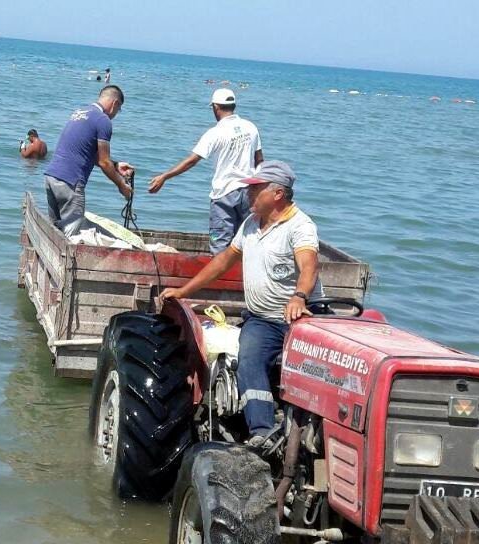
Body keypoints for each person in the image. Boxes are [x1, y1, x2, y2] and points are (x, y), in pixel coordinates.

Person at [159, 161, 322, 448]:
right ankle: (263, 431)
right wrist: (184, 290)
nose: (247, 194)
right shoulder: (249, 225)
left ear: (278, 194)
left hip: (300, 319)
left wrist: (299, 297)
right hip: (262, 319)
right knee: (249, 357)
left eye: (255, 189)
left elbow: (309, 266)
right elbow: (222, 263)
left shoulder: (300, 226)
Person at [149, 88, 263, 254]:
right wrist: (259, 188)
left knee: (220, 244)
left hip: (224, 194)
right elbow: (260, 160)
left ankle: (219, 278)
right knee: (247, 240)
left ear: (216, 107)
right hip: (249, 192)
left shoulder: (215, 133)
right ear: (233, 106)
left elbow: (192, 160)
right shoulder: (250, 127)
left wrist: (165, 176)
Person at [44, 85, 134, 236]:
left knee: (56, 231)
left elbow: (85, 152)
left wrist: (116, 165)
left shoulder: (80, 112)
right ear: (115, 104)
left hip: (51, 177)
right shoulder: (103, 120)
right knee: (72, 236)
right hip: (71, 182)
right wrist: (122, 185)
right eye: (119, 110)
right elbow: (104, 162)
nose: (116, 114)